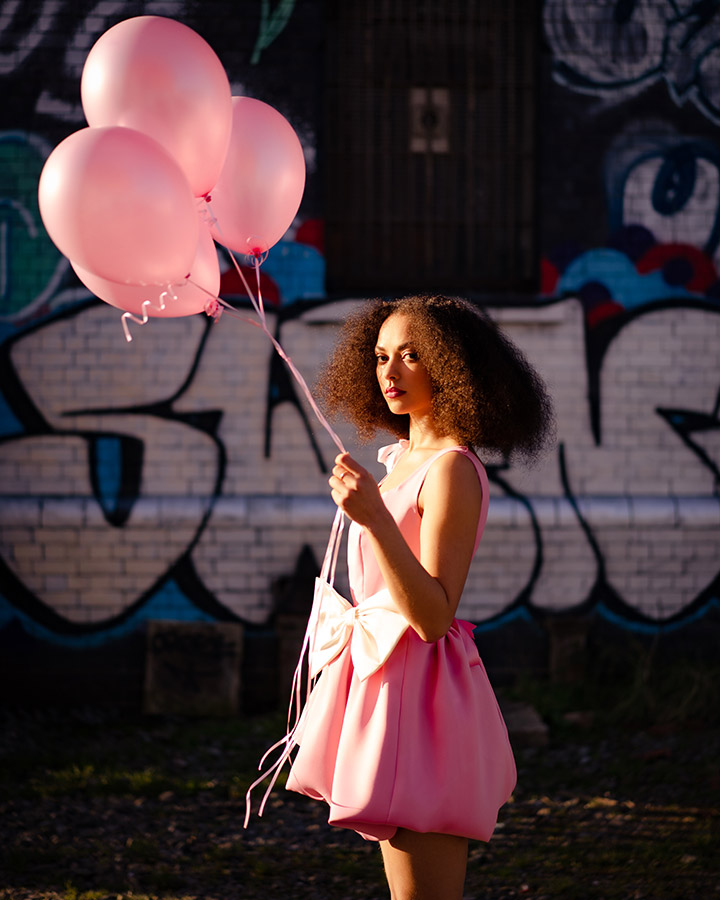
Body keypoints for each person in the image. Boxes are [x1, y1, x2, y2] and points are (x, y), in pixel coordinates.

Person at [253, 295, 553, 900]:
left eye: (411, 356)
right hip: (387, 687)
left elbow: (434, 616)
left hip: (423, 697)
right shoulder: (402, 461)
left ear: (451, 365)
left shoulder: (451, 469)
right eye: (382, 355)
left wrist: (376, 520)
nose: (389, 373)